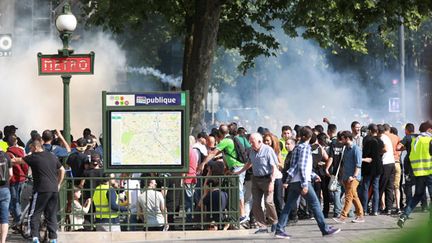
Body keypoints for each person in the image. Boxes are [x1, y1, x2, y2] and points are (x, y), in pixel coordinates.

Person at [274, 126, 340, 239]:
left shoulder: (298, 147)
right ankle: (325, 229)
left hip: (295, 181)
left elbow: (297, 166)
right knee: (315, 204)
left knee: (288, 205)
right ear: (309, 137)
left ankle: (280, 228)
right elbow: (303, 167)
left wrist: (313, 175)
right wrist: (305, 183)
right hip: (302, 181)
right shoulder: (304, 148)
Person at [11, 140, 65, 243]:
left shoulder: (34, 157)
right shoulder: (52, 156)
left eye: (31, 148)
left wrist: (8, 158)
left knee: (34, 213)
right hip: (54, 190)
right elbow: (62, 170)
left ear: (35, 148)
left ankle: (35, 237)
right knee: (51, 214)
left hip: (41, 190)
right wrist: (58, 184)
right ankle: (53, 238)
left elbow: (17, 161)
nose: (30, 151)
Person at [200, 124, 247, 223]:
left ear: (220, 133)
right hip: (235, 168)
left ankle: (242, 215)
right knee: (236, 190)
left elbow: (213, 153)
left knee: (238, 190)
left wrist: (203, 163)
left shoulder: (226, 141)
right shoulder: (231, 139)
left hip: (237, 167)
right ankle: (239, 214)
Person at [235, 132, 278, 234]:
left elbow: (274, 168)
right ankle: (262, 226)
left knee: (268, 202)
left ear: (259, 141)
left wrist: (272, 182)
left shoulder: (268, 150)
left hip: (267, 179)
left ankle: (274, 221)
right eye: (250, 142)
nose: (251, 144)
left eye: (252, 142)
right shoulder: (252, 151)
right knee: (256, 204)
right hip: (256, 179)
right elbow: (249, 163)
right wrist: (240, 171)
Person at [398, 120, 432, 228]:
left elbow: (411, 156)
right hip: (430, 172)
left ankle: (404, 216)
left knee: (417, 196)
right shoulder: (430, 140)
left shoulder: (414, 141)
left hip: (418, 173)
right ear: (429, 129)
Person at [332, 131, 365, 223]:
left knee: (348, 196)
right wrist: (343, 177)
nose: (341, 141)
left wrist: (354, 176)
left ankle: (343, 216)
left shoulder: (356, 149)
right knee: (354, 197)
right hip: (346, 177)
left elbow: (358, 165)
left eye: (342, 139)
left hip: (353, 178)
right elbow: (344, 164)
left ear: (347, 138)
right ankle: (360, 215)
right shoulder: (345, 149)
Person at [360, 123, 384, 216]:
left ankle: (364, 210)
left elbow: (365, 153)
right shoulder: (380, 141)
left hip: (368, 166)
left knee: (365, 187)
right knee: (376, 188)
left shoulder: (368, 140)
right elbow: (382, 152)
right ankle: (375, 210)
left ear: (370, 131)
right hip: (378, 166)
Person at [6, 136, 28, 229]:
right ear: (16, 142)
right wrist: (25, 174)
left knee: (15, 201)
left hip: (13, 180)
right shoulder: (21, 151)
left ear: (7, 143)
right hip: (22, 178)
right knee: (18, 200)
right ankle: (19, 221)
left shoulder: (7, 154)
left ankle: (18, 222)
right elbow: (25, 165)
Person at [0, 147, 12, 243]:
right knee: (4, 217)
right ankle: (3, 241)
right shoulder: (7, 156)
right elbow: (11, 174)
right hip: (5, 189)